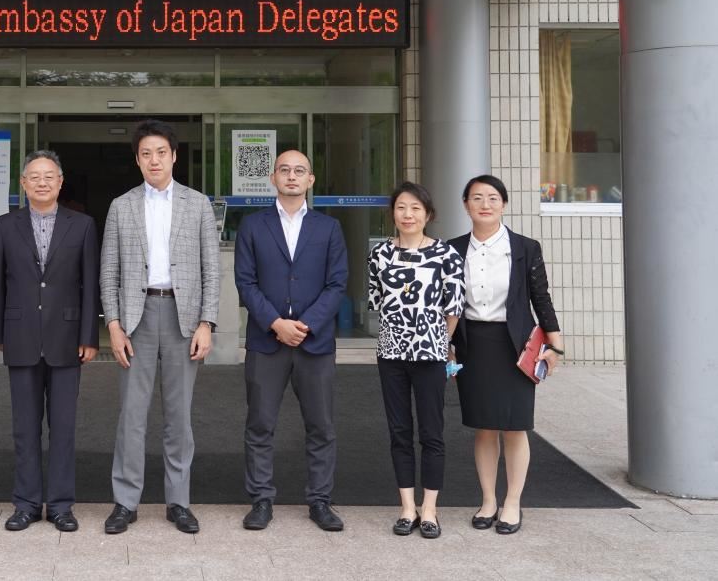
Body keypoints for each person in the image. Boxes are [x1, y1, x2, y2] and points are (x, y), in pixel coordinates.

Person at [100, 119, 219, 535]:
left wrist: (207, 323)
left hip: (183, 317)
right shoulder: (121, 205)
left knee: (178, 415)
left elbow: (211, 269)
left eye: (161, 152)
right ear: (137, 159)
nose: (154, 159)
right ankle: (125, 501)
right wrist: (113, 326)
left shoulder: (197, 203)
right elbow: (109, 271)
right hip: (137, 317)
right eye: (146, 153)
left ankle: (178, 501)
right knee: (132, 414)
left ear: (174, 156)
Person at [235, 149, 349, 533]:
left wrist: (305, 324)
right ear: (273, 178)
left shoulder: (328, 228)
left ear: (310, 180)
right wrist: (274, 323)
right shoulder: (252, 225)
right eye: (284, 170)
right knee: (260, 424)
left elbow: (337, 284)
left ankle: (320, 501)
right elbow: (245, 282)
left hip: (314, 343)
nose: (291, 176)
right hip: (266, 342)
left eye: (299, 171)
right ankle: (261, 500)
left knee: (321, 426)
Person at [0, 150, 100, 533]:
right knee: (24, 427)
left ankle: (61, 505)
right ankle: (26, 503)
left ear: (60, 181)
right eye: (33, 176)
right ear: (22, 183)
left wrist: (89, 335)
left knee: (64, 427)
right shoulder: (4, 226)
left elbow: (90, 285)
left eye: (48, 176)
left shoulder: (82, 225)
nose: (41, 182)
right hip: (19, 337)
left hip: (67, 337)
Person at [449, 174, 563, 535]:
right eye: (477, 197)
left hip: (514, 344)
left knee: (514, 426)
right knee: (484, 427)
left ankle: (512, 502)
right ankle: (487, 500)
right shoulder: (451, 248)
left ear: (504, 204)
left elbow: (540, 298)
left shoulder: (525, 247)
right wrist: (446, 343)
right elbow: (447, 303)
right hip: (473, 343)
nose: (485, 204)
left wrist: (555, 345)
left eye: (493, 198)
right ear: (466, 204)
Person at [366, 181, 466, 540]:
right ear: (392, 213)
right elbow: (376, 302)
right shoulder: (379, 255)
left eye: (415, 209)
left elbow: (453, 309)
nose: (407, 215)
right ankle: (407, 507)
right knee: (399, 431)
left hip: (430, 353)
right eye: (401, 208)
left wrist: (439, 340)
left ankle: (430, 510)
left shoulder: (445, 255)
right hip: (390, 353)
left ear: (428, 215)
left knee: (432, 432)